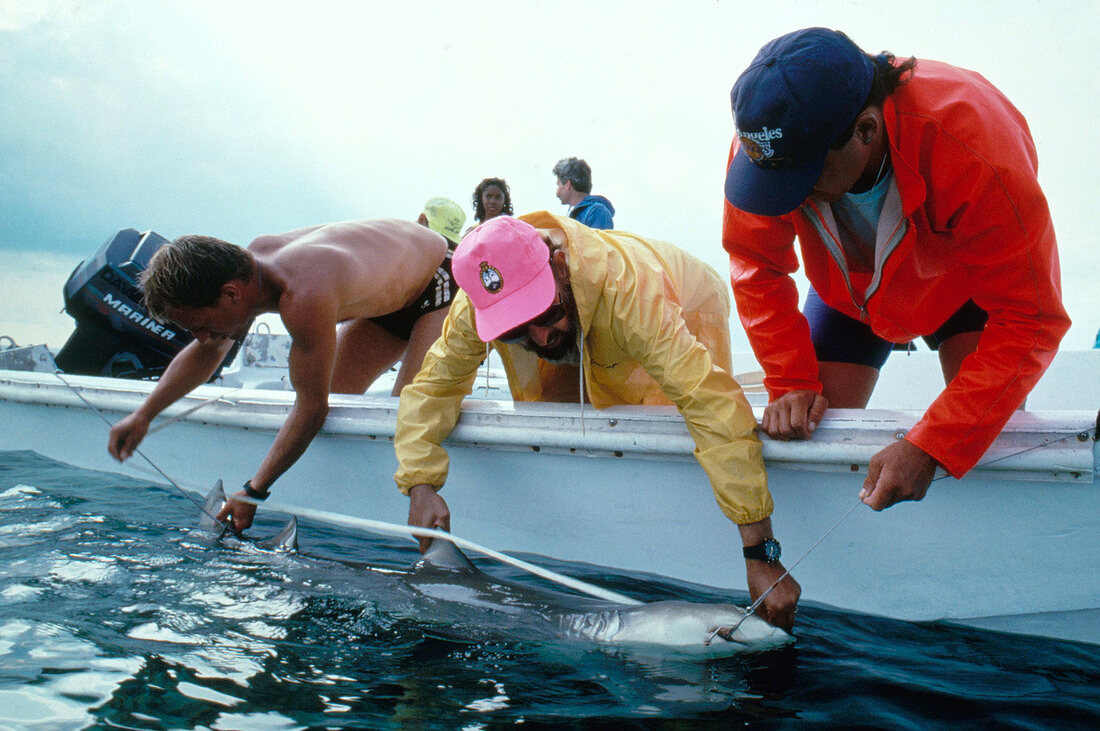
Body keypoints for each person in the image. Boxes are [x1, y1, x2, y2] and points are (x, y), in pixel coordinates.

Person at [394, 212, 801, 631]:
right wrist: (420, 485)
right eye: (514, 330)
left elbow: (709, 403)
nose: (539, 338)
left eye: (544, 311)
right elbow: (432, 388)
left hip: (688, 300)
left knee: (662, 416)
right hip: (588, 308)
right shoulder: (482, 296)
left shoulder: (631, 292)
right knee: (554, 409)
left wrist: (761, 554)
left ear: (559, 264)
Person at [722, 28, 1070, 512]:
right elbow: (755, 264)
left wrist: (934, 444)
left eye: (803, 178)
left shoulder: (974, 139)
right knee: (811, 430)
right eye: (775, 181)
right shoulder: (770, 146)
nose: (787, 197)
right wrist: (789, 379)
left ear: (866, 130)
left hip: (964, 288)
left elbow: (1030, 319)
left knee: (994, 436)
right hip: (850, 293)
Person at [108, 220, 458, 530]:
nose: (201, 337)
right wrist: (143, 416)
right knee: (336, 394)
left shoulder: (303, 293)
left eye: (201, 325)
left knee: (406, 415)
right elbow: (208, 351)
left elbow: (311, 410)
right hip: (388, 297)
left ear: (231, 295)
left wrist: (253, 491)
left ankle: (430, 505)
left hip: (442, 279)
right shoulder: (246, 269)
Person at [552, 157, 615, 229]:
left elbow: (598, 240)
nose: (557, 192)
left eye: (558, 184)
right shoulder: (580, 213)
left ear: (567, 184)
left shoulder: (597, 212)